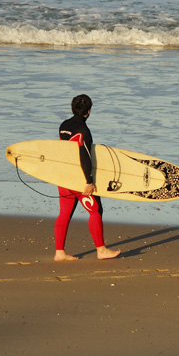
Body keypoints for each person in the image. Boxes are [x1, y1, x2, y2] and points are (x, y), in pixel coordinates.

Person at [54, 94, 120, 261]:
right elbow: (85, 156)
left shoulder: (64, 126)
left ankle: (59, 252)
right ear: (89, 111)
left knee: (64, 213)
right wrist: (89, 182)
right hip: (79, 180)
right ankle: (101, 250)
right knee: (96, 211)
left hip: (64, 178)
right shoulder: (84, 131)